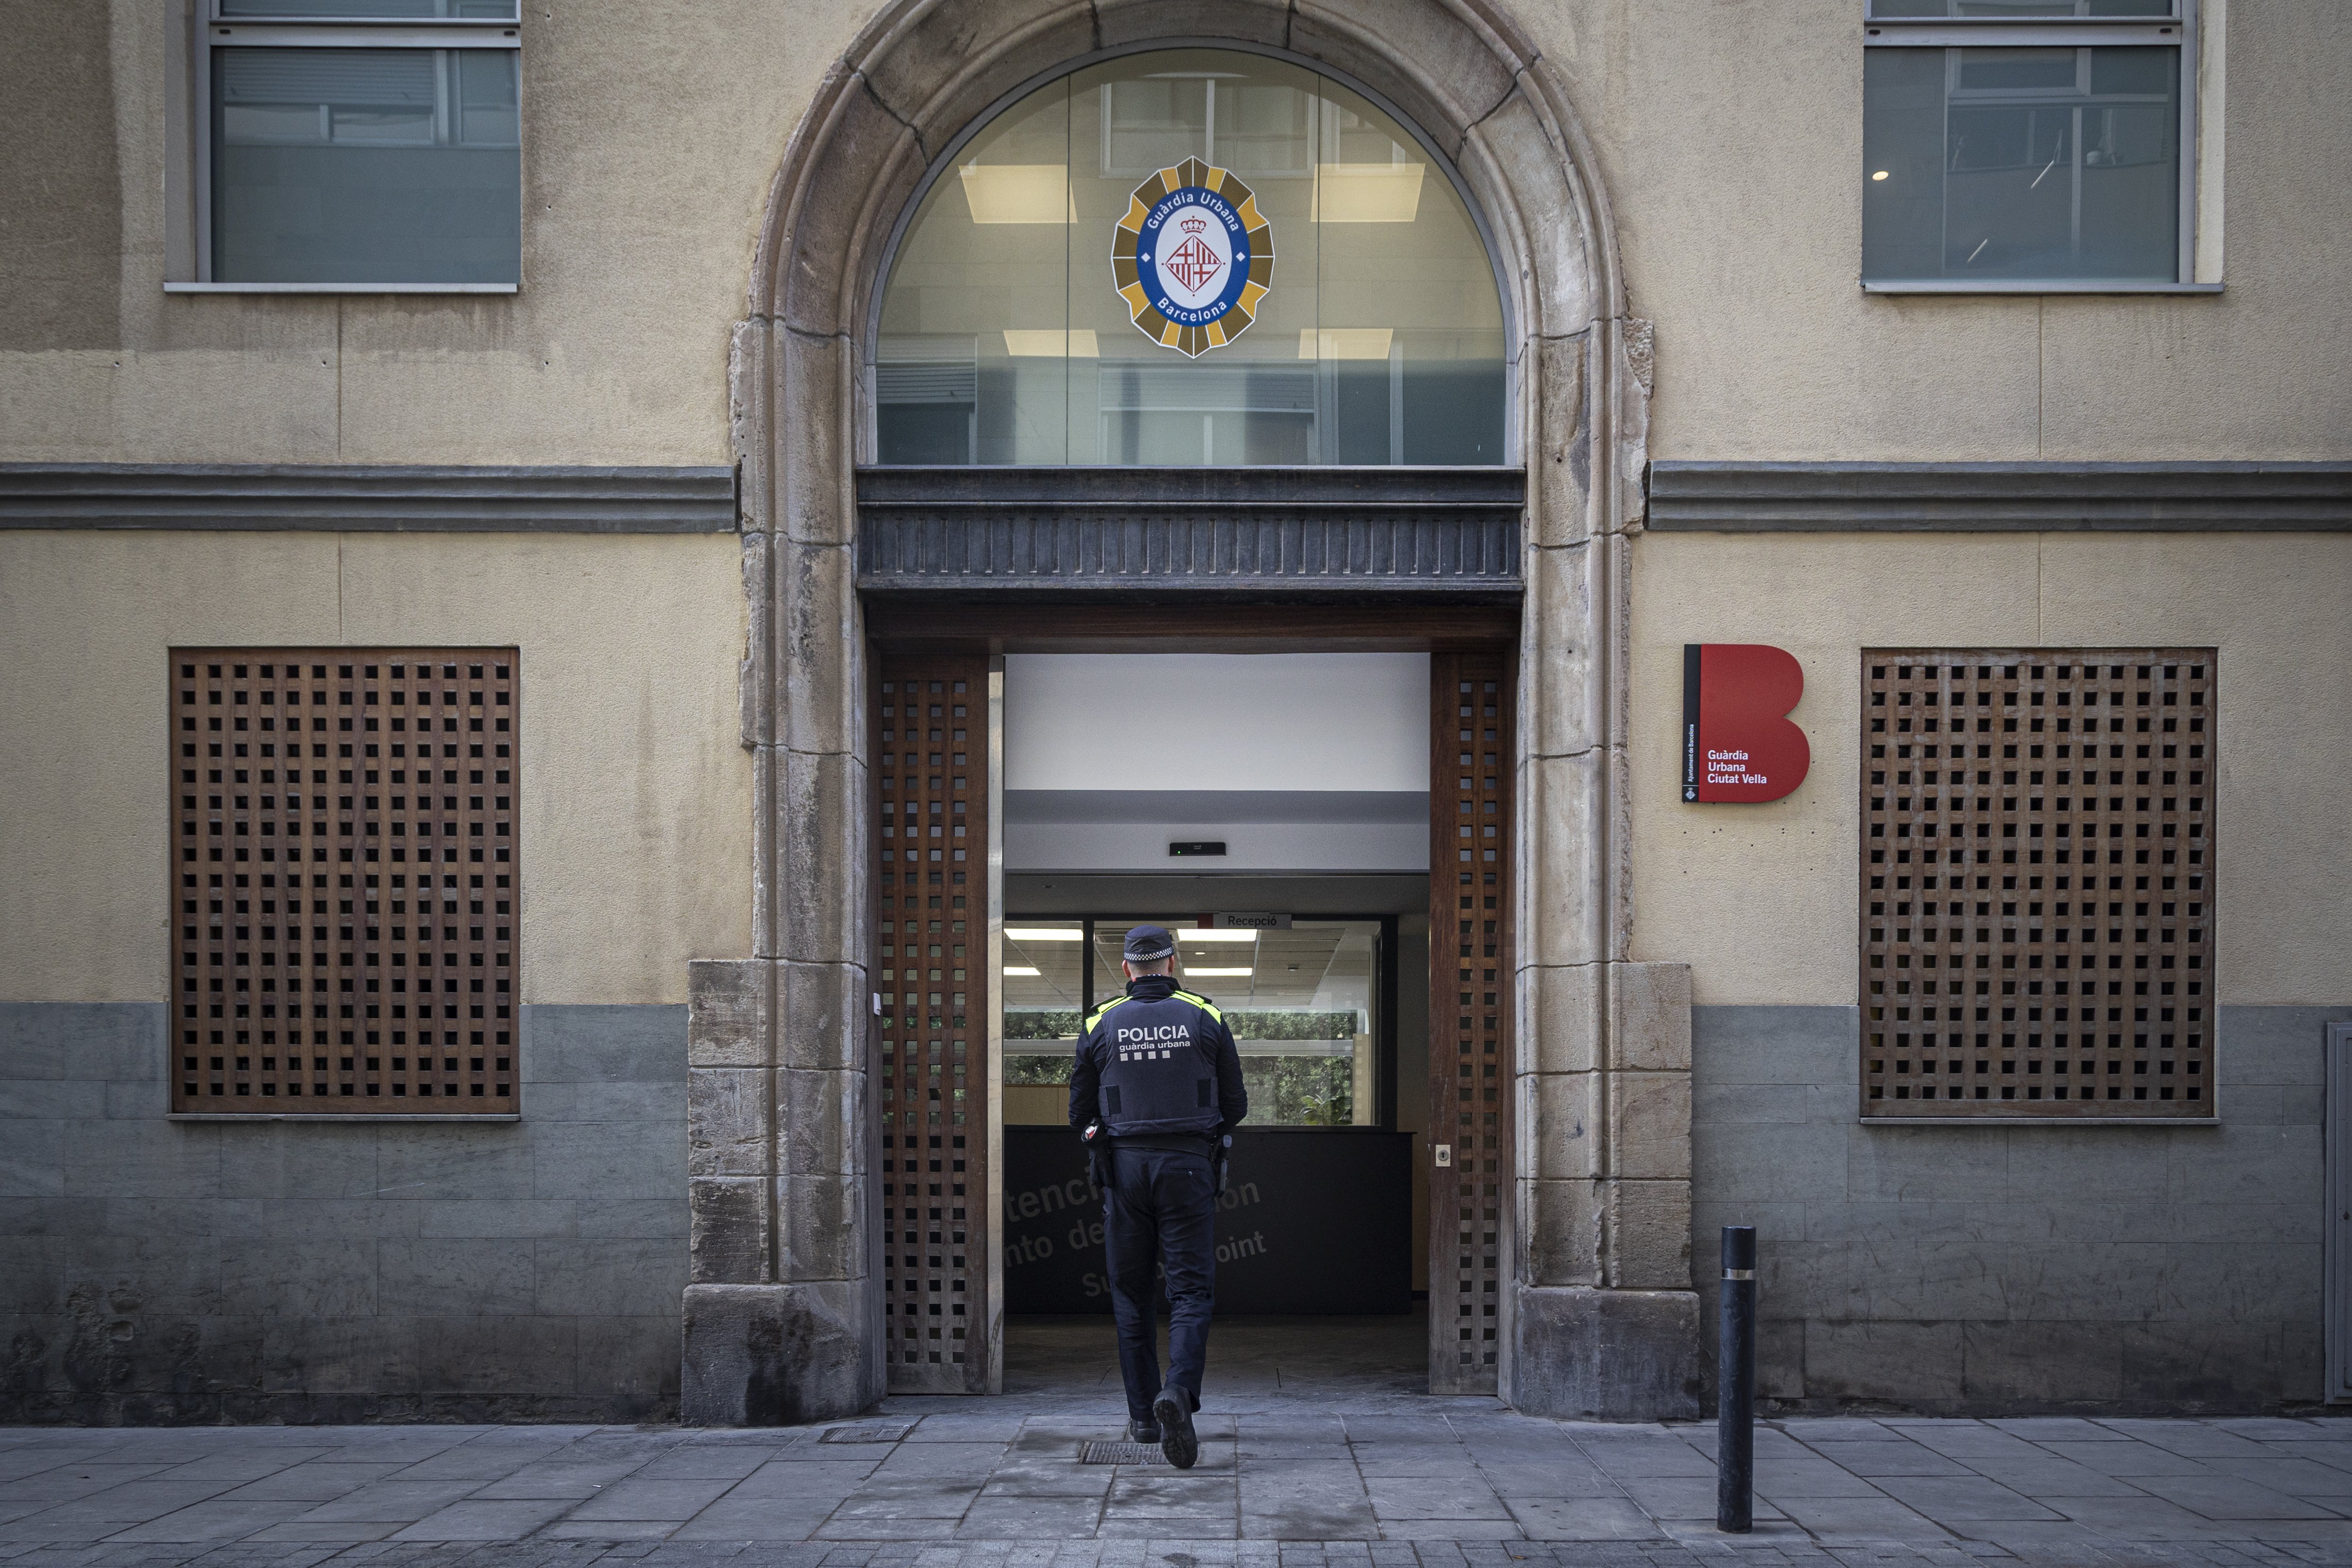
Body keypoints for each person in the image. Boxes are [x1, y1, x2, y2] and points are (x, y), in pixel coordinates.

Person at [1067, 923, 1247, 1468]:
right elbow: (1236, 1104)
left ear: (1127, 968)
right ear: (1172, 963)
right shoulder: (1205, 1015)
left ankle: (1145, 1417)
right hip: (1188, 1166)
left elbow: (1079, 1113)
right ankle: (1179, 1392)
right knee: (1191, 1291)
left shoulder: (1100, 1021)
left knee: (1131, 1292)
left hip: (1123, 1170)